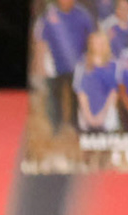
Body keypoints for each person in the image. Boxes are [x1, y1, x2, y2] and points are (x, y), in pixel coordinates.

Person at [38, 0, 99, 129]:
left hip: (76, 66)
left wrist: (90, 58)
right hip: (54, 66)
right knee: (54, 98)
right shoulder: (49, 15)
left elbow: (92, 36)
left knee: (76, 97)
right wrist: (41, 64)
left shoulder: (83, 14)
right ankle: (56, 127)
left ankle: (75, 125)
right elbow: (42, 41)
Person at [78, 29, 123, 129]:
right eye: (96, 43)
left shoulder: (114, 65)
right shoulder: (82, 64)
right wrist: (89, 117)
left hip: (108, 116)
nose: (99, 46)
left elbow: (114, 92)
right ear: (91, 44)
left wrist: (103, 115)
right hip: (86, 115)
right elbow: (81, 93)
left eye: (102, 43)